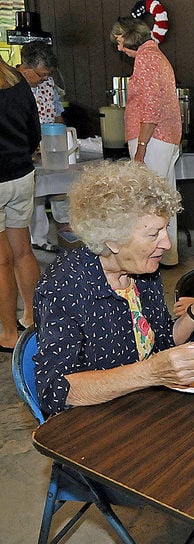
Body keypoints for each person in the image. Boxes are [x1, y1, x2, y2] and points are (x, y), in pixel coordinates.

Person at [33, 161, 194, 417]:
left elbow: (161, 342)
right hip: (94, 421)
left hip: (143, 405)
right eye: (154, 234)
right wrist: (150, 372)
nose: (167, 243)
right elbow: (55, 392)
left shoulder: (141, 270)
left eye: (166, 229)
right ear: (112, 240)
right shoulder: (65, 288)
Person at [110, 16, 182, 266]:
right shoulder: (156, 56)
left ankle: (149, 257)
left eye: (120, 41)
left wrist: (141, 148)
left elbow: (151, 108)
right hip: (164, 138)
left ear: (131, 36)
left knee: (150, 201)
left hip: (153, 139)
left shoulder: (147, 59)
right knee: (165, 198)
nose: (119, 48)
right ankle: (167, 256)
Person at [0, 57, 41, 351]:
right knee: (23, 252)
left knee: (1, 261)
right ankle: (33, 321)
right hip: (22, 174)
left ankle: (9, 335)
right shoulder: (16, 80)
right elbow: (34, 129)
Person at [18, 42, 68, 254]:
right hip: (25, 149)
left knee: (60, 188)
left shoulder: (47, 83)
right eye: (40, 75)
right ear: (26, 68)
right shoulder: (13, 85)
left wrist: (60, 134)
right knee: (35, 194)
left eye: (47, 75)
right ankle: (37, 238)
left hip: (51, 144)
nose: (44, 79)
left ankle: (67, 233)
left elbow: (57, 110)